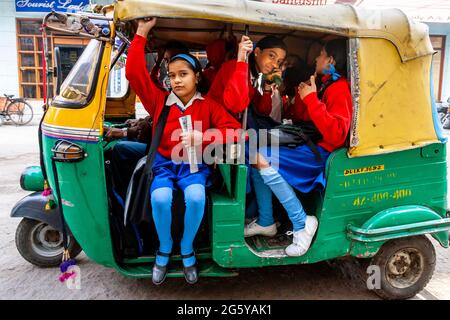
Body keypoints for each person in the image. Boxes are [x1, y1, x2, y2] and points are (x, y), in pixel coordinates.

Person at [126, 17, 241, 285]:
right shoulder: (159, 101)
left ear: (197, 77)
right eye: (172, 75)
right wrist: (142, 31)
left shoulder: (209, 105)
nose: (176, 80)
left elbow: (236, 131)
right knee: (161, 199)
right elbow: (133, 74)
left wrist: (205, 136)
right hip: (165, 164)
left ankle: (187, 248)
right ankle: (164, 249)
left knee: (197, 197)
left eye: (183, 74)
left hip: (195, 167)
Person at [245, 39, 353, 257]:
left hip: (321, 154)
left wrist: (311, 100)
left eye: (321, 54)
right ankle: (266, 220)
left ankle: (302, 222)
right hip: (311, 145)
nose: (316, 58)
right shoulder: (325, 84)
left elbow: (337, 134)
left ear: (331, 60)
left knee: (258, 156)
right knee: (254, 154)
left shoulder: (339, 88)